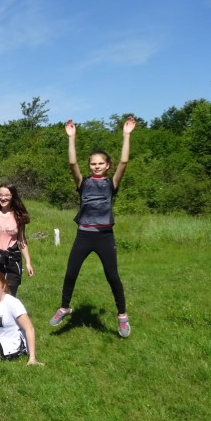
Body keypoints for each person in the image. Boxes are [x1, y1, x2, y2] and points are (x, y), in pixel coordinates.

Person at [49, 116, 136, 337]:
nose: (96, 166)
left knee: (112, 276)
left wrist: (126, 135)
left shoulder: (111, 183)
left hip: (105, 236)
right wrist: (71, 138)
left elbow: (124, 162)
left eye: (100, 163)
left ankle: (122, 316)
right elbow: (72, 164)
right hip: (84, 235)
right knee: (71, 273)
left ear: (107, 165)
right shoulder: (83, 183)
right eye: (93, 164)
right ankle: (64, 307)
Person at [0, 184, 34, 297]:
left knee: (10, 296)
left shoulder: (18, 215)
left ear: (12, 196)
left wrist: (28, 262)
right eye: (0, 195)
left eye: (6, 195)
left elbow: (21, 239)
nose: (3, 198)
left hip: (11, 259)